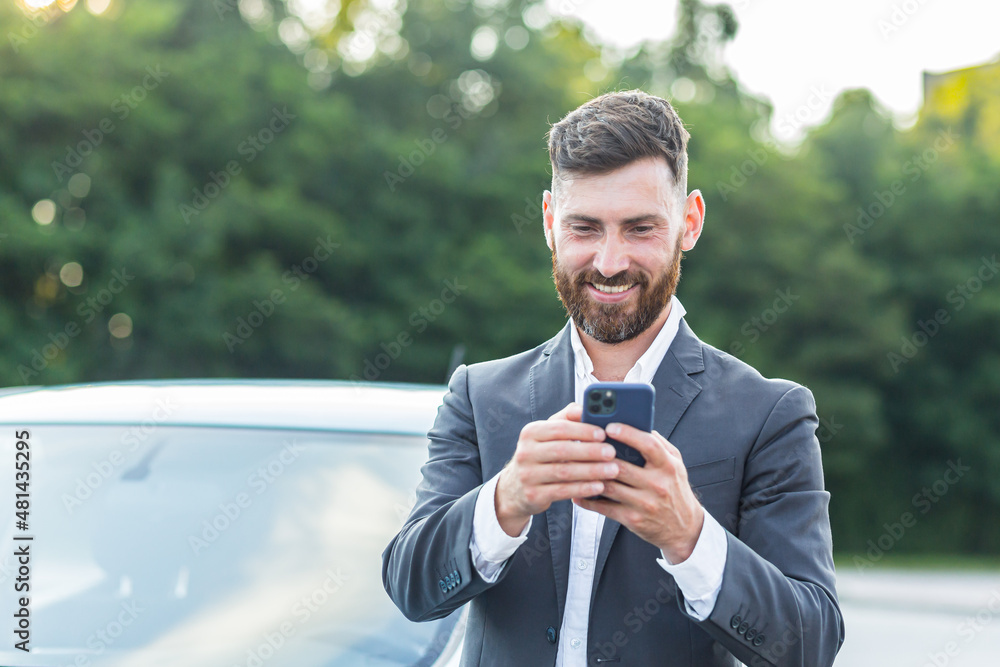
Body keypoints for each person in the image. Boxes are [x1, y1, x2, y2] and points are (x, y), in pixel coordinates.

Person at [382, 89, 844, 666]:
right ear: (549, 222)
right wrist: (504, 500)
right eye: (585, 228)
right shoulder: (479, 396)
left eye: (641, 228)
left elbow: (810, 645)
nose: (609, 261)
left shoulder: (769, 414)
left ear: (690, 223)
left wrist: (690, 537)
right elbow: (411, 590)